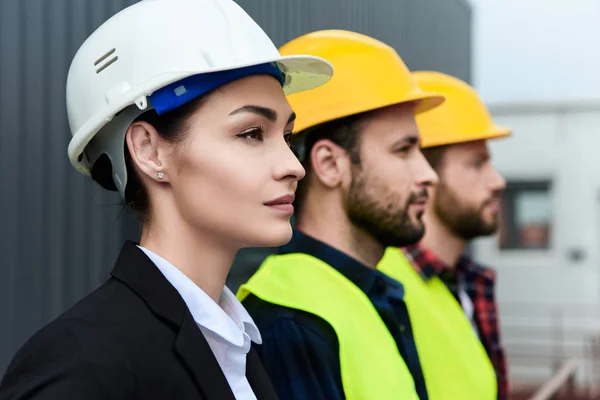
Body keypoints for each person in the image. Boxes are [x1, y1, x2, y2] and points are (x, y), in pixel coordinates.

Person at [0, 0, 333, 399]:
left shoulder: (236, 349)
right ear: (149, 151)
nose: (292, 166)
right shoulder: (82, 362)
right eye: (251, 133)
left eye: (288, 137)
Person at [238, 30, 443, 400]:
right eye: (403, 150)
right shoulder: (291, 322)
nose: (428, 174)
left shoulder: (371, 295)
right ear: (330, 164)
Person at [379, 71, 511, 400]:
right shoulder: (381, 284)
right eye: (477, 164)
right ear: (426, 173)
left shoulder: (465, 282)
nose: (497, 182)